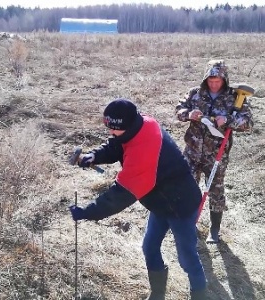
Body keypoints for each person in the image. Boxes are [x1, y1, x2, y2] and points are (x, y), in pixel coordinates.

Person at [69, 98, 207, 300]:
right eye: (109, 128)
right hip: (160, 203)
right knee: (149, 247)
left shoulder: (144, 148)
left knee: (187, 258)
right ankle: (157, 295)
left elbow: (121, 195)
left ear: (128, 125)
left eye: (114, 129)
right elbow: (118, 143)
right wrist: (94, 156)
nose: (110, 133)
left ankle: (200, 296)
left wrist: (87, 212)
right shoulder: (140, 123)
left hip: (181, 204)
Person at [175, 59, 253, 243]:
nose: (213, 84)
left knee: (215, 191)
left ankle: (214, 229)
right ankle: (188, 225)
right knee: (188, 188)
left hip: (217, 154)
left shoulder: (234, 98)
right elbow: (179, 109)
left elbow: (248, 123)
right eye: (210, 80)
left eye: (217, 81)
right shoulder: (195, 93)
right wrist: (188, 114)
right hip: (192, 151)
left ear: (224, 79)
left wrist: (227, 120)